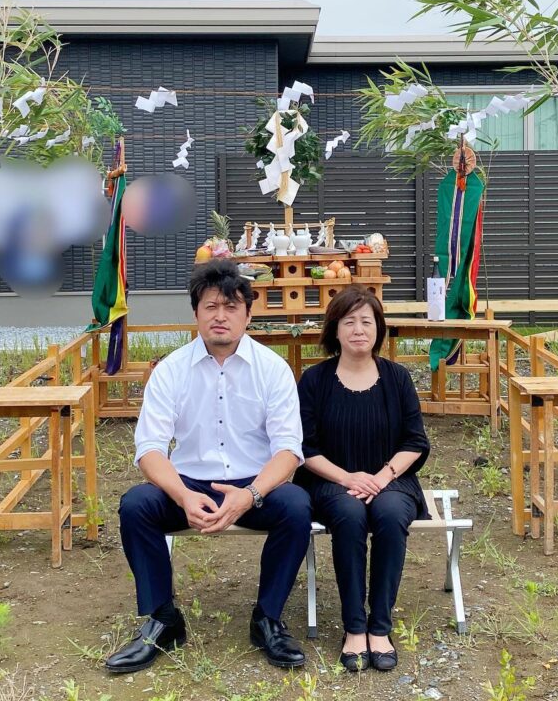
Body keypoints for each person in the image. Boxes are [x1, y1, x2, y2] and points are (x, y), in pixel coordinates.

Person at [106, 260, 312, 675]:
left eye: (232, 307)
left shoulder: (273, 370)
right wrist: (182, 496)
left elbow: (289, 449)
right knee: (136, 504)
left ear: (248, 315)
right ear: (196, 313)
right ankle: (163, 620)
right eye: (211, 306)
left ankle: (267, 618)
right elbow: (149, 448)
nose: (221, 316)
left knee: (296, 505)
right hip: (188, 483)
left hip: (254, 485)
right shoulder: (171, 371)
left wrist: (251, 494)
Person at [297, 286, 430, 673]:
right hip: (331, 480)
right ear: (335, 330)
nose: (358, 329)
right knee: (350, 514)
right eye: (349, 321)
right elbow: (303, 447)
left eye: (366, 321)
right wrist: (348, 477)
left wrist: (382, 476)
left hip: (392, 480)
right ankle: (355, 628)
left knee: (390, 515)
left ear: (379, 329)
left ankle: (380, 627)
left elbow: (415, 441)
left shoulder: (397, 377)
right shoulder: (315, 381)